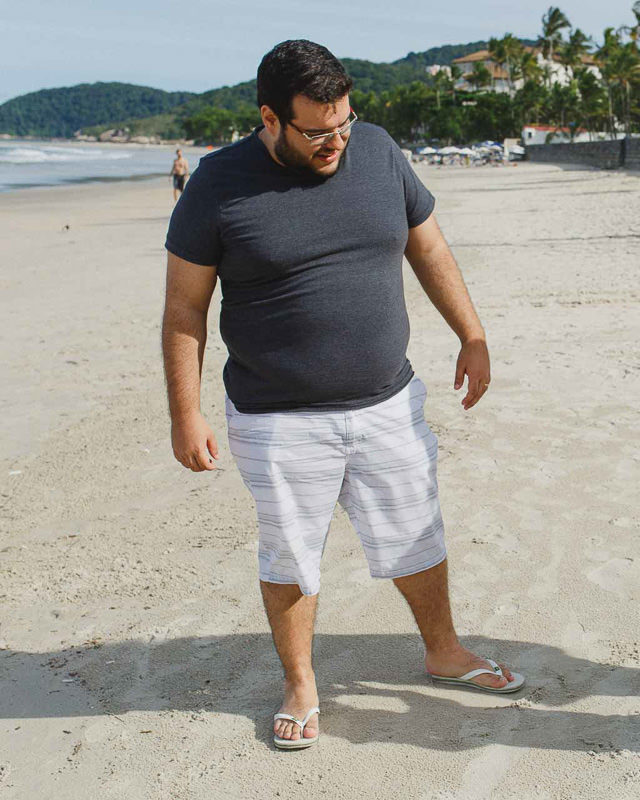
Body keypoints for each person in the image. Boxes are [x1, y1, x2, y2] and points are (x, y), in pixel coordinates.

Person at [161, 40, 522, 751]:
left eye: (345, 124)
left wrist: (472, 334)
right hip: (275, 415)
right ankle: (301, 683)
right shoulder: (217, 184)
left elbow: (431, 249)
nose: (336, 142)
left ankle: (443, 651)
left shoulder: (380, 151)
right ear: (270, 118)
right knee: (292, 555)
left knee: (416, 530)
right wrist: (185, 412)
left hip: (387, 398)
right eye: (317, 132)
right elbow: (183, 310)